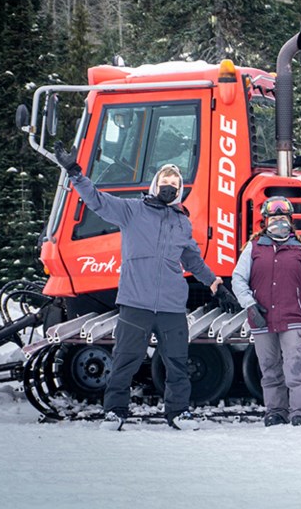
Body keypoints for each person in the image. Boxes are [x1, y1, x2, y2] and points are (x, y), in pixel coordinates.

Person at [52, 142, 230, 431]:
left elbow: (193, 261)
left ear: (180, 189)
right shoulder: (131, 211)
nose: (169, 186)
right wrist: (75, 172)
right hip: (136, 303)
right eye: (165, 182)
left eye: (175, 183)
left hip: (171, 306)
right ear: (155, 185)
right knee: (125, 360)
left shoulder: (182, 223)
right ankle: (115, 412)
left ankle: (178, 413)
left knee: (177, 362)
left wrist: (216, 285)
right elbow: (96, 200)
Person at [232, 196, 301, 427]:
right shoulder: (254, 247)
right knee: (269, 367)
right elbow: (238, 279)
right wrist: (249, 305)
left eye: (283, 218)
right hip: (262, 318)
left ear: (290, 221)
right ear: (265, 221)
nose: (279, 222)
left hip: (292, 318)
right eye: (274, 218)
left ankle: (300, 412)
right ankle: (276, 411)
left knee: (295, 365)